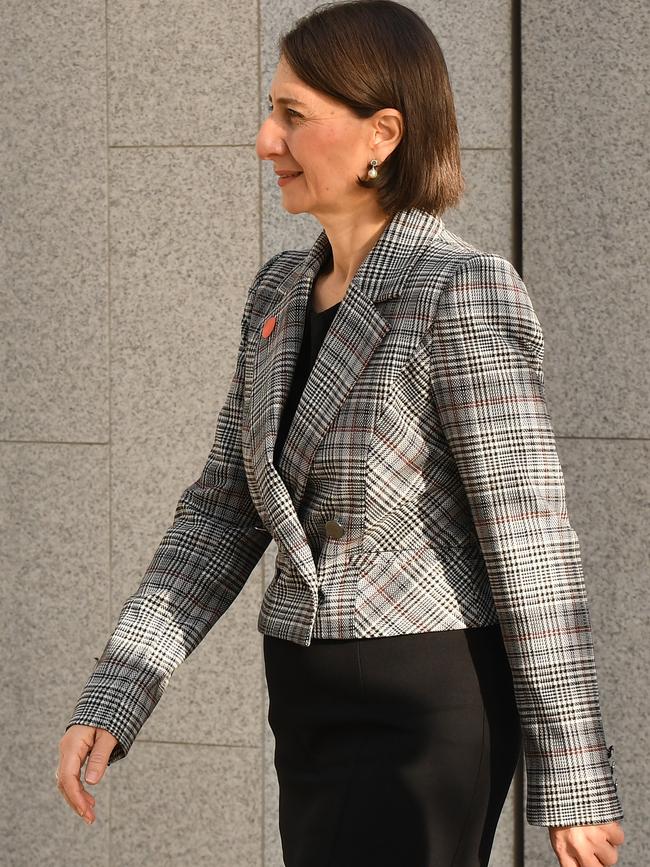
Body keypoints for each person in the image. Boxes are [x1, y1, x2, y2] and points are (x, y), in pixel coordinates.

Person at [57, 1, 625, 864]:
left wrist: (575, 775)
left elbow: (529, 541)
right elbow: (221, 510)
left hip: (424, 713)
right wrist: (118, 688)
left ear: (382, 133)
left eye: (292, 115)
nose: (263, 141)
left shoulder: (460, 289)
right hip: (309, 707)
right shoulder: (278, 293)